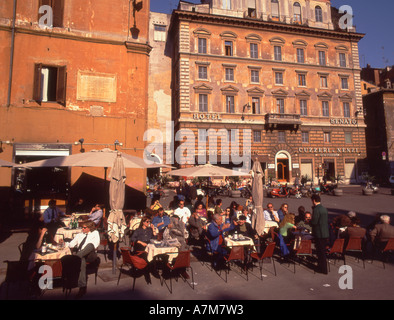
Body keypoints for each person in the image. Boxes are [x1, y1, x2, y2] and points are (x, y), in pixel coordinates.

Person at [67, 220, 100, 298]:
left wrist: (82, 252)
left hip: (90, 254)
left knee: (90, 245)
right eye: (82, 227)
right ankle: (82, 287)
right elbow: (71, 244)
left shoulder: (95, 233)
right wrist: (64, 243)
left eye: (84, 228)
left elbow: (95, 245)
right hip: (82, 256)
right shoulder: (80, 235)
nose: (82, 229)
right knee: (82, 260)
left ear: (89, 228)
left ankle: (75, 258)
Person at [310, 194, 329, 274]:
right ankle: (322, 267)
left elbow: (314, 221)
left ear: (314, 200)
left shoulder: (316, 209)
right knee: (323, 251)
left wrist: (309, 221)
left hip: (319, 233)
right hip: (325, 233)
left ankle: (323, 268)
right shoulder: (324, 209)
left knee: (320, 252)